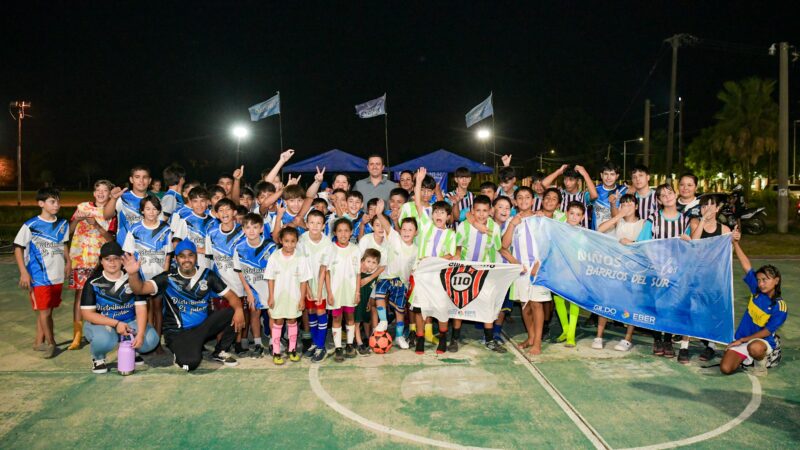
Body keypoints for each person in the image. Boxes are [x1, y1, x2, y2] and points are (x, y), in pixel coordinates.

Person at [123, 239, 246, 371]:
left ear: (196, 257)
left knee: (234, 312)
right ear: (176, 259)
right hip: (177, 333)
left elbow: (232, 296)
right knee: (190, 363)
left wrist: (239, 309)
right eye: (182, 256)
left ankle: (220, 351)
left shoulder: (207, 275)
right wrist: (133, 274)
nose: (186, 259)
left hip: (201, 329)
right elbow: (140, 289)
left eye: (190, 255)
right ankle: (188, 349)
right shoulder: (167, 278)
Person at [81, 242, 160, 373]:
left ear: (122, 260)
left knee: (151, 339)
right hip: (102, 325)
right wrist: (116, 323)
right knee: (105, 339)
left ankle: (131, 350)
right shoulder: (93, 282)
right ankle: (98, 358)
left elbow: (141, 308)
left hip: (129, 323)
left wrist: (140, 335)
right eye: (107, 259)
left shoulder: (132, 278)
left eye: (116, 258)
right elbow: (87, 314)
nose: (112, 263)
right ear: (101, 261)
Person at [636, 183, 692, 359]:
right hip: (656, 271)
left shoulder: (684, 221)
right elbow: (642, 244)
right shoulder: (652, 219)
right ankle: (657, 338)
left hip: (675, 271)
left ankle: (668, 339)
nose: (667, 196)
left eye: (669, 193)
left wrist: (687, 241)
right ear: (659, 200)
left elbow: (690, 248)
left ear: (675, 195)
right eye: (662, 195)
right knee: (657, 306)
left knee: (671, 306)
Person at [14, 187, 70, 358]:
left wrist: (68, 262)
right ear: (41, 204)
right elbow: (18, 248)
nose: (57, 205)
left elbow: (63, 244)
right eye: (52, 202)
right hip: (39, 276)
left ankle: (38, 342)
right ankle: (51, 343)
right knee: (44, 311)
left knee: (48, 310)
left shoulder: (63, 224)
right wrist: (24, 272)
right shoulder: (31, 225)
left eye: (58, 201)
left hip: (57, 274)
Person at [722, 230, 787, 376]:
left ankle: (763, 360)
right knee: (726, 368)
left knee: (755, 348)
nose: (761, 283)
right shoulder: (757, 291)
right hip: (742, 339)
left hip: (761, 341)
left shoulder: (780, 306)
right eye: (759, 280)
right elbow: (746, 266)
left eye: (765, 280)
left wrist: (744, 340)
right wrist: (735, 243)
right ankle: (748, 358)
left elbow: (767, 331)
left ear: (776, 281)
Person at [409, 168, 457, 354]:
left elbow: (450, 257)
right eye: (436, 211)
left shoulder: (450, 235)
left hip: (438, 278)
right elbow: (419, 203)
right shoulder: (426, 226)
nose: (438, 215)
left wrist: (431, 260)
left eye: (442, 213)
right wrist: (419, 181)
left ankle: (443, 338)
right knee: (420, 309)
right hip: (421, 276)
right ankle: (420, 340)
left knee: (441, 310)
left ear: (448, 217)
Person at [66, 180, 116, 350]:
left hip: (99, 262)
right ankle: (77, 335)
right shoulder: (83, 206)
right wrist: (76, 220)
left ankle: (99, 329)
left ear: (110, 194)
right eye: (98, 190)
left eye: (105, 190)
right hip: (80, 259)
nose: (101, 193)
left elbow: (111, 239)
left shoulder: (110, 212)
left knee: (100, 296)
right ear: (94, 193)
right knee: (79, 296)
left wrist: (97, 226)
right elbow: (69, 231)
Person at [453, 194, 505, 353]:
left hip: (485, 273)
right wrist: (456, 258)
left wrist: (513, 264)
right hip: (464, 271)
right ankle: (454, 338)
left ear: (490, 211)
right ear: (472, 212)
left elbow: (497, 249)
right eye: (478, 211)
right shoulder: (464, 226)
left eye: (484, 210)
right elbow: (457, 246)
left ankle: (489, 339)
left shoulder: (494, 228)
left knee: (487, 305)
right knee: (459, 306)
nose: (481, 214)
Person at [501, 187, 550, 355]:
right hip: (521, 270)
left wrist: (539, 264)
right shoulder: (512, 221)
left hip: (537, 268)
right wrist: (513, 225)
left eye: (527, 197)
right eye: (519, 198)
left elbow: (548, 244)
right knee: (525, 306)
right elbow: (504, 246)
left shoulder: (540, 219)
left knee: (537, 304)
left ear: (533, 199)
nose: (523, 201)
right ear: (515, 201)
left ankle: (537, 342)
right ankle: (530, 337)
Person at [595, 194, 644, 352]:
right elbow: (600, 229)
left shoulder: (643, 223)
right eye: (623, 204)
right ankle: (599, 335)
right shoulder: (618, 221)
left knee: (632, 302)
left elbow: (647, 245)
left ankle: (627, 338)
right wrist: (619, 216)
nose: (627, 207)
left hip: (634, 269)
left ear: (636, 206)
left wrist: (631, 244)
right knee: (606, 300)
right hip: (615, 268)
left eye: (630, 204)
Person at [122, 194, 172, 342]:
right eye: (147, 208)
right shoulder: (135, 228)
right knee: (145, 308)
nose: (151, 212)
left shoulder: (165, 229)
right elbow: (128, 253)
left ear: (159, 211)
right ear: (142, 211)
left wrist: (164, 274)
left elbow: (168, 254)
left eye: (154, 209)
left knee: (158, 308)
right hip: (141, 276)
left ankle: (157, 342)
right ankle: (147, 340)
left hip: (158, 276)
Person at [689, 195, 732, 361]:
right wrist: (702, 221)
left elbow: (726, 257)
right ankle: (689, 340)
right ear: (700, 209)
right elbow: (694, 242)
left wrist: (734, 241)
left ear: (717, 208)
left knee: (712, 311)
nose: (707, 208)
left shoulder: (725, 230)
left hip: (714, 278)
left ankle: (711, 346)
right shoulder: (694, 223)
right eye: (704, 206)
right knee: (695, 309)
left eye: (711, 205)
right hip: (697, 275)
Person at [372, 199, 418, 350]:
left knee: (400, 311)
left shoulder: (416, 250)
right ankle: (383, 320)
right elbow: (386, 225)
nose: (406, 232)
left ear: (415, 233)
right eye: (404, 229)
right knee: (379, 292)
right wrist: (379, 213)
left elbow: (415, 269)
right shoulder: (395, 239)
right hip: (387, 276)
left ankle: (399, 336)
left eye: (409, 230)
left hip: (402, 283)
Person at [205, 198, 247, 353]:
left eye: (228, 209)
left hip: (239, 284)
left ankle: (236, 344)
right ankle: (220, 347)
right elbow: (210, 260)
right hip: (220, 285)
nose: (224, 213)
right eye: (220, 210)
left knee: (238, 317)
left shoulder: (243, 232)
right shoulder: (211, 233)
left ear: (234, 212)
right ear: (216, 214)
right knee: (220, 318)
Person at [266, 227, 312, 365]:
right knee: (278, 322)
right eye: (286, 241)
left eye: (293, 241)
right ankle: (276, 351)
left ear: (297, 242)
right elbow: (270, 278)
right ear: (281, 241)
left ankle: (292, 350)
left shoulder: (301, 258)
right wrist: (271, 296)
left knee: (292, 321)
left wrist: (302, 298)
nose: (289, 244)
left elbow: (304, 281)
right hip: (278, 297)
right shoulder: (274, 256)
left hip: (294, 297)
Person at [233, 213, 277, 358]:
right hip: (252, 288)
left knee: (272, 314)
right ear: (243, 230)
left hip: (270, 287)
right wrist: (249, 292)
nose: (251, 230)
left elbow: (276, 272)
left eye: (255, 227)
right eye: (248, 227)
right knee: (254, 314)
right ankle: (258, 343)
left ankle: (273, 342)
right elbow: (240, 272)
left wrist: (272, 293)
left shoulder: (270, 246)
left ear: (261, 229)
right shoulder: (239, 248)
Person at [318, 218, 361, 362]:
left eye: (346, 231)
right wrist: (329, 292)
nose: (343, 234)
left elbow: (358, 273)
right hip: (335, 292)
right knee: (336, 318)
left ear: (351, 233)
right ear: (335, 232)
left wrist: (357, 292)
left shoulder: (355, 249)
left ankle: (349, 344)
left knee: (350, 318)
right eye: (340, 231)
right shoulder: (330, 249)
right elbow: (327, 273)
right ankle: (338, 348)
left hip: (350, 290)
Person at [298, 210, 334, 362]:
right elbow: (301, 266)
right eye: (311, 222)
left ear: (323, 226)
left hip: (322, 282)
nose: (314, 226)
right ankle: (314, 342)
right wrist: (306, 288)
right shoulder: (302, 240)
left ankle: (320, 346)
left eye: (318, 223)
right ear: (306, 224)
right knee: (311, 311)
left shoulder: (327, 243)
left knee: (320, 311)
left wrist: (319, 292)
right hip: (305, 281)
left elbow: (323, 270)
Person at [552, 201, 589, 347]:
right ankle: (565, 330)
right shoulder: (558, 229)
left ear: (582, 217)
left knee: (574, 302)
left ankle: (571, 335)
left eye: (578, 215)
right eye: (571, 213)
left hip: (575, 273)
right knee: (558, 300)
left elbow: (584, 256)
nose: (574, 217)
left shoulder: (584, 234)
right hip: (558, 271)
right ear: (566, 213)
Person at [104, 165, 152, 246]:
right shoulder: (123, 198)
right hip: (124, 249)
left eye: (145, 177)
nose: (141, 180)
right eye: (137, 177)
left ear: (149, 180)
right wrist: (113, 199)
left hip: (146, 250)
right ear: (131, 179)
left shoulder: (154, 200)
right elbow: (107, 216)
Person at [542, 164, 598, 229]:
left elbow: (594, 195)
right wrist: (559, 171)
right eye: (565, 179)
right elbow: (544, 184)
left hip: (580, 235)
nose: (567, 183)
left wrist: (585, 174)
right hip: (561, 233)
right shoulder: (560, 193)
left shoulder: (583, 195)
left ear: (577, 181)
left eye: (571, 180)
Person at [172, 187, 215, 270]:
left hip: (208, 264)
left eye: (202, 201)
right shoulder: (185, 220)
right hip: (190, 265)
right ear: (190, 203)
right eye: (195, 201)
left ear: (207, 202)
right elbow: (176, 242)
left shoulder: (213, 221)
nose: (199, 205)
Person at [357, 248, 382, 355]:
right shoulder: (359, 273)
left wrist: (369, 301)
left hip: (367, 301)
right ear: (363, 261)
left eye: (374, 262)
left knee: (367, 320)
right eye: (368, 261)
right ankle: (358, 342)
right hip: (357, 301)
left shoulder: (375, 275)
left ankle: (368, 338)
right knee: (356, 321)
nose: (371, 265)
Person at [593, 161, 627, 233]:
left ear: (617, 176)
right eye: (606, 174)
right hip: (597, 235)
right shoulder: (595, 191)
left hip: (617, 237)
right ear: (601, 175)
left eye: (612, 174)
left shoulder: (623, 191)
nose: (608, 177)